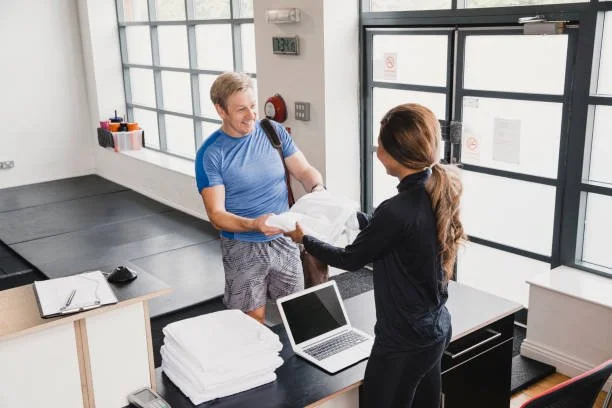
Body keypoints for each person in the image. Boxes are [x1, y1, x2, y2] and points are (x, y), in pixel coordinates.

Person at [285, 103, 466, 408]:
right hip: (435, 330)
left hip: (402, 342)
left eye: (380, 143)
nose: (376, 149)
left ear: (395, 153)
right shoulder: (432, 189)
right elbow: (401, 237)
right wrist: (356, 217)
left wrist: (305, 239)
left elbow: (350, 259)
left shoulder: (396, 210)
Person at [195, 72, 324, 324]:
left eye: (253, 106)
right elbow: (216, 215)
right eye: (241, 109)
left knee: (298, 314)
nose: (252, 115)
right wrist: (254, 224)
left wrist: (317, 187)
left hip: (284, 239)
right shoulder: (210, 154)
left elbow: (304, 171)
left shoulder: (272, 131)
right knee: (251, 323)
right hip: (242, 247)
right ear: (221, 110)